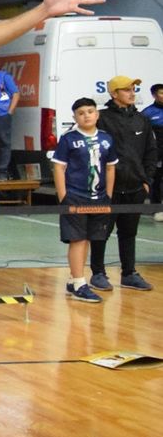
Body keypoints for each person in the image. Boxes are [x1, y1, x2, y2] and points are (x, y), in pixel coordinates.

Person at [90, 75, 155, 292]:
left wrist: (146, 180)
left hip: (135, 187)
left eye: (133, 89)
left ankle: (129, 273)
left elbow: (150, 152)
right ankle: (98, 273)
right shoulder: (102, 118)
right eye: (126, 89)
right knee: (101, 231)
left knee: (129, 232)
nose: (132, 93)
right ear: (114, 93)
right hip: (108, 188)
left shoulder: (142, 120)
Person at [54, 97, 116, 304]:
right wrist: (64, 196)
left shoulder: (107, 138)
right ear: (75, 117)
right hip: (75, 196)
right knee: (77, 239)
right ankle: (80, 283)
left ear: (97, 114)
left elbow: (110, 167)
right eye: (81, 113)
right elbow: (59, 167)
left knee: (88, 238)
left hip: (98, 198)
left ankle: (74, 278)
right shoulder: (69, 139)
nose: (86, 115)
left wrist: (108, 195)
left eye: (90, 111)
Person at [142, 83, 163, 216]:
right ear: (154, 95)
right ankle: (157, 209)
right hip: (158, 152)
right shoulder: (147, 113)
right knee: (156, 179)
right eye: (161, 93)